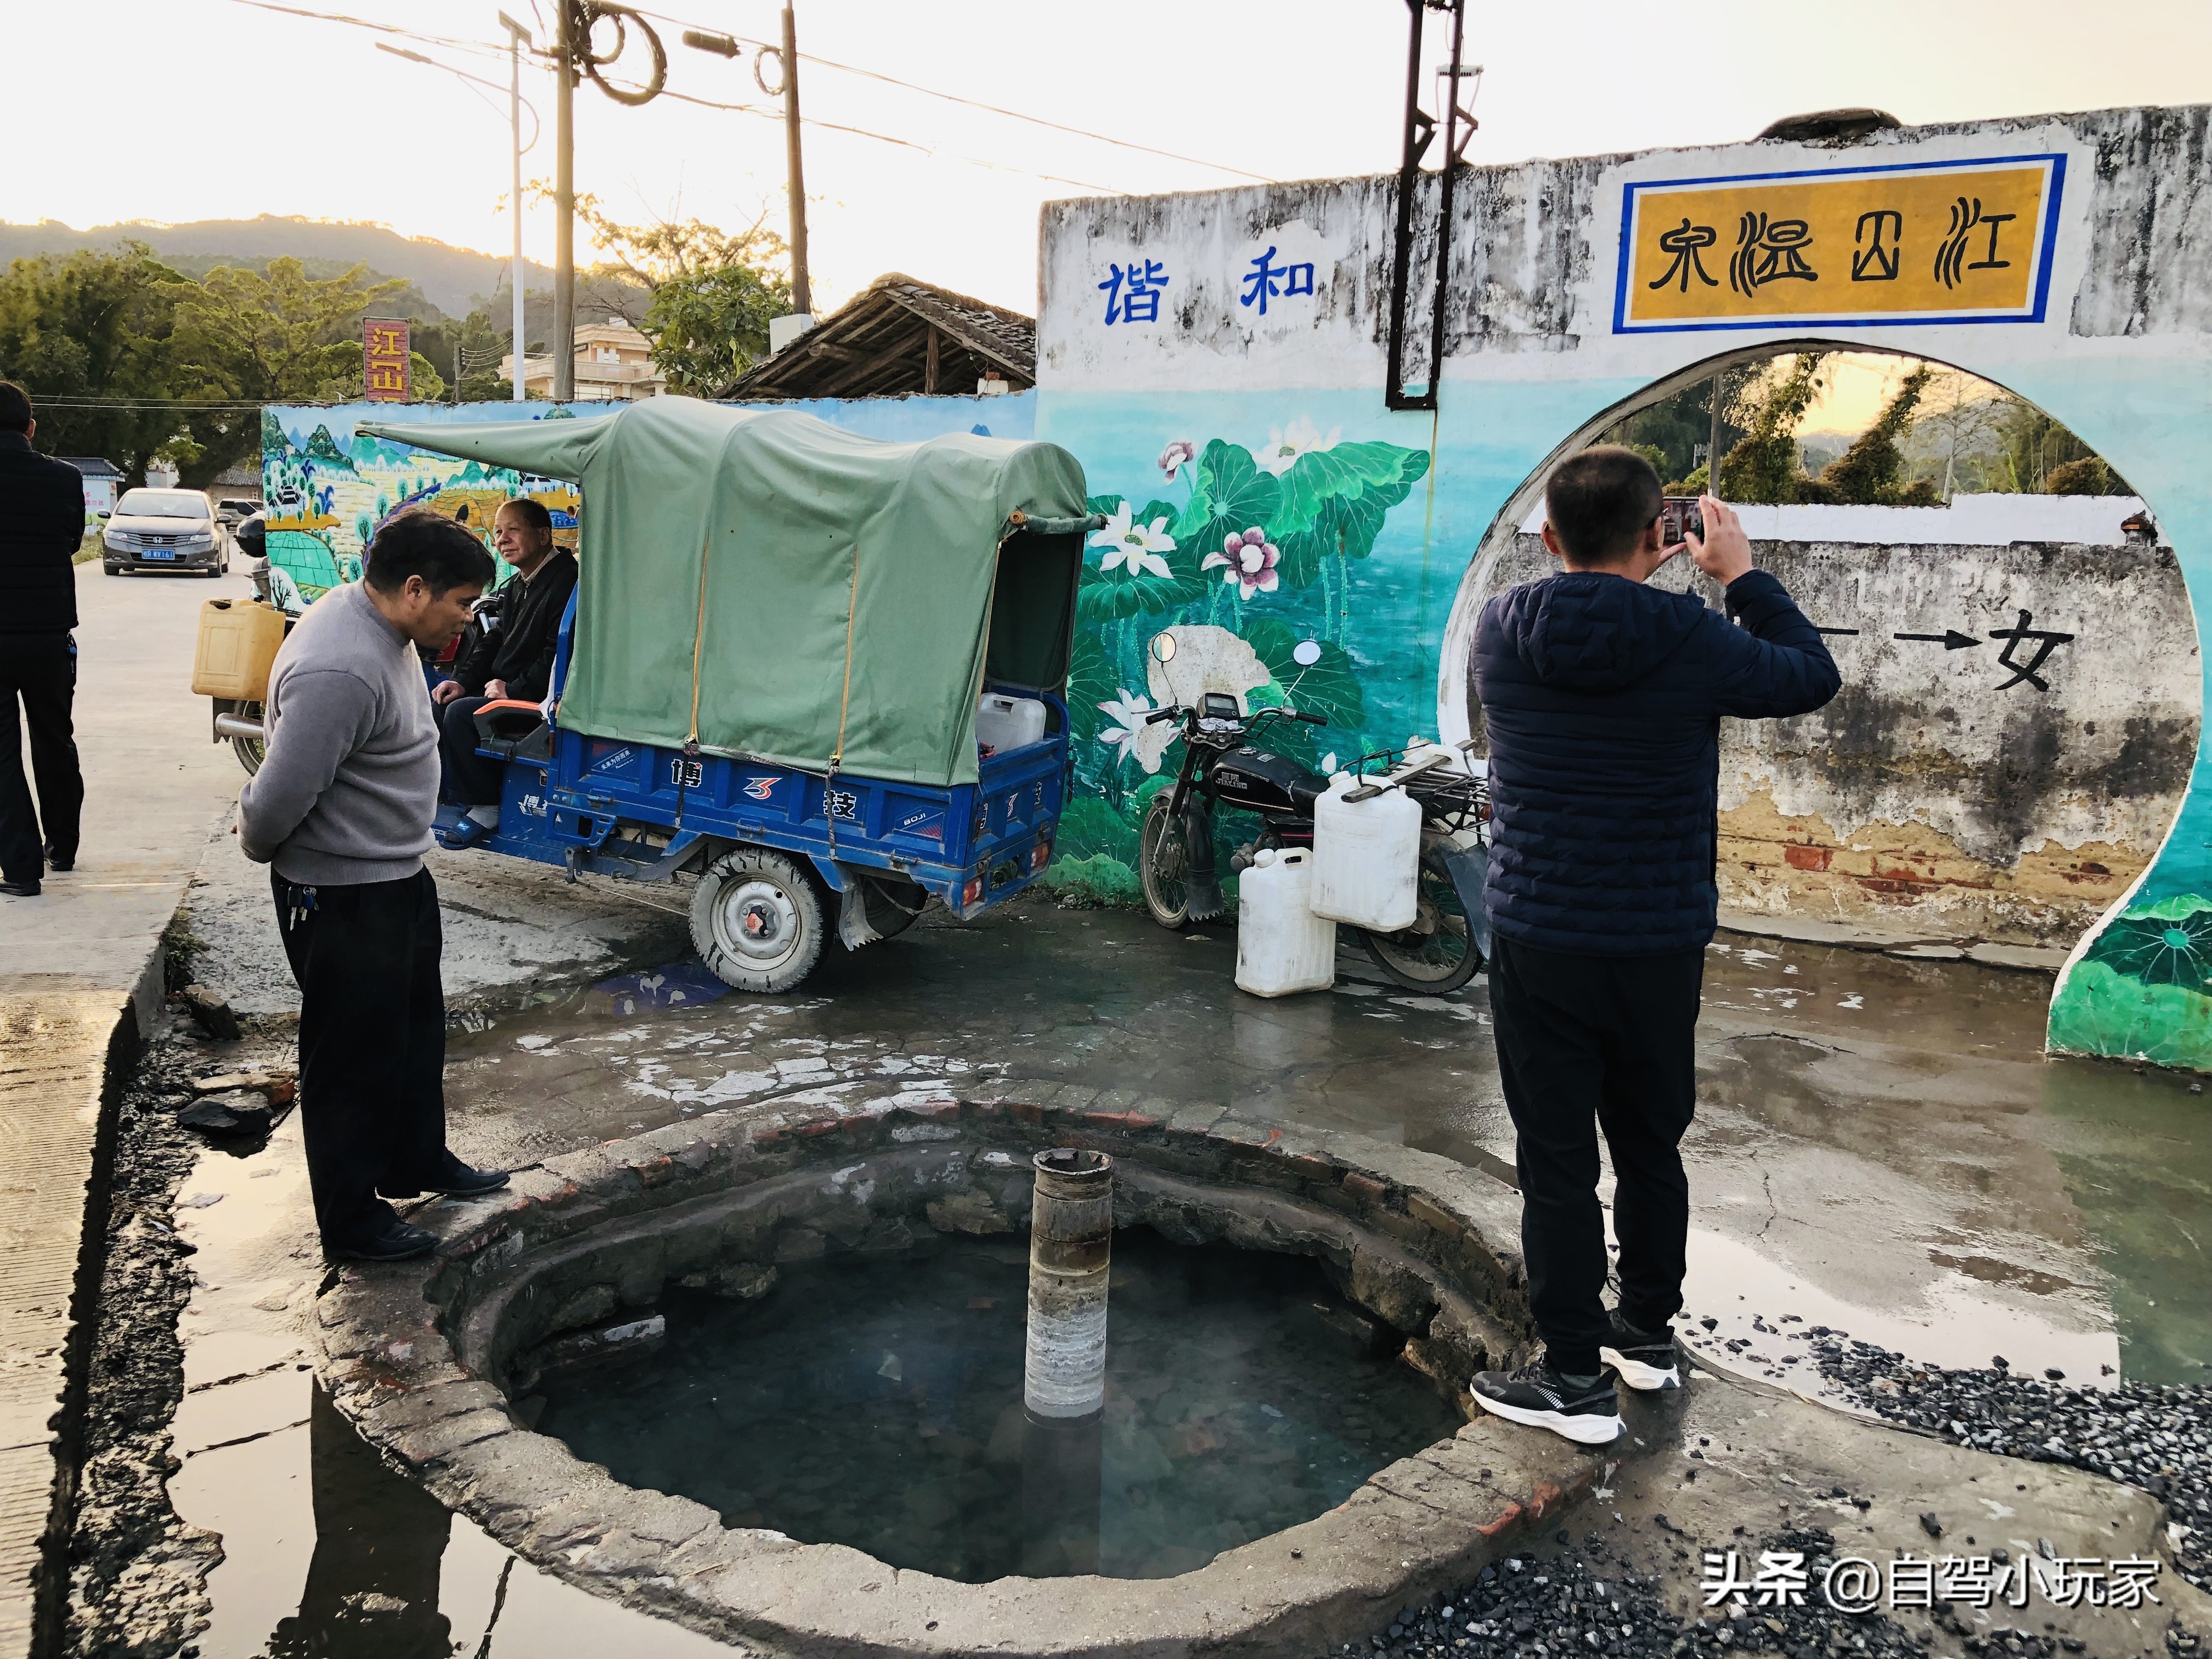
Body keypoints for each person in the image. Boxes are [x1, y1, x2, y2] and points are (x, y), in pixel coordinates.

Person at [1466, 447, 1840, 1444]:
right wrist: (1737, 575)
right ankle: (1644, 1331)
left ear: (1547, 539)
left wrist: (1648, 579)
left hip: (1540, 937)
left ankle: (1575, 1376)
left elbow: (1587, 625)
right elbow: (1811, 676)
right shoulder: (1691, 635)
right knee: (1647, 1143)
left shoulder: (1501, 626)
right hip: (1656, 940)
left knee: (1553, 1158)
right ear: (1659, 536)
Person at [238, 509, 510, 1263]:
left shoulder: (384, 629)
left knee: (413, 1035)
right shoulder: (341, 663)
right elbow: (279, 793)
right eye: (461, 602)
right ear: (415, 590)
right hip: (343, 891)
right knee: (350, 1062)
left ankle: (415, 1160)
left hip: (395, 876)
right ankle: (351, 1224)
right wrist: (258, 840)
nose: (467, 618)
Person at [430, 497, 577, 846]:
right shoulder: (516, 586)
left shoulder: (568, 583)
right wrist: (461, 681)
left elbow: (558, 656)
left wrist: (513, 690)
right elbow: (492, 640)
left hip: (543, 703)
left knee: (463, 715)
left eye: (513, 530)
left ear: (544, 536)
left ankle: (487, 806)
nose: (502, 540)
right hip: (504, 689)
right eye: (498, 532)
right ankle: (440, 796)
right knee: (440, 701)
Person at [0, 380, 87, 898]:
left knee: (2, 751)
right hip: (49, 633)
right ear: (30, 428)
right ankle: (64, 846)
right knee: (55, 737)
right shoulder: (65, 479)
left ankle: (19, 869)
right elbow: (72, 541)